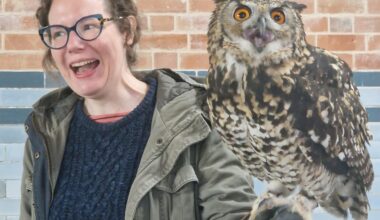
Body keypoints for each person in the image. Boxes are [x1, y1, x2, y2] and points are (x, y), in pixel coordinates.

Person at [19, 0, 257, 219]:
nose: (73, 45)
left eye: (89, 26)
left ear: (127, 31)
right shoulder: (44, 132)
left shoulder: (201, 119)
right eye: (58, 33)